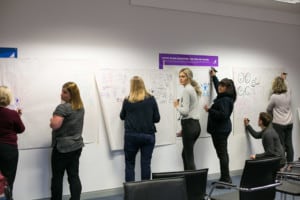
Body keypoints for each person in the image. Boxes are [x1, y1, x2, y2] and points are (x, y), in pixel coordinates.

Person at [120, 76, 160, 182]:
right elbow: (157, 118)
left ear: (131, 86)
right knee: (146, 163)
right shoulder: (151, 99)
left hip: (131, 136)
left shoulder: (127, 100)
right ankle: (145, 193)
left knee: (129, 164)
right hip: (148, 136)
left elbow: (122, 116)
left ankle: (130, 194)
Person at [50, 82, 85, 200]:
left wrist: (51, 120)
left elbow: (55, 125)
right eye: (62, 91)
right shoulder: (80, 107)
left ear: (72, 94)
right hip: (76, 146)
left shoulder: (63, 107)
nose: (61, 94)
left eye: (65, 92)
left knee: (57, 177)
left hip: (62, 148)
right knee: (74, 175)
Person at [204, 69, 236, 184]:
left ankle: (226, 179)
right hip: (222, 129)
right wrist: (214, 77)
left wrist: (210, 110)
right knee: (222, 154)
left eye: (223, 86)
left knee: (222, 154)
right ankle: (224, 177)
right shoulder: (225, 97)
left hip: (220, 131)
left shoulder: (225, 100)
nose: (220, 88)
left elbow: (223, 115)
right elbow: (218, 88)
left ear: (227, 88)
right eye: (220, 85)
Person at [173, 68, 201, 170]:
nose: (180, 79)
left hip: (190, 126)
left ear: (188, 78)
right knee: (185, 155)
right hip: (194, 126)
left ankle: (192, 183)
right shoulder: (191, 89)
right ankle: (189, 180)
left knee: (188, 158)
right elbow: (192, 110)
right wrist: (184, 129)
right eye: (179, 76)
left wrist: (176, 106)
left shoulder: (187, 90)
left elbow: (185, 112)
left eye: (183, 76)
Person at [0, 86, 25, 199]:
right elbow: (21, 129)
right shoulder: (12, 114)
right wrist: (17, 116)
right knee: (8, 180)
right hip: (9, 150)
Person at [267, 73, 294, 171]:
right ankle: (290, 165)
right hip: (289, 122)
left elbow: (268, 109)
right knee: (289, 143)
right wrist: (284, 79)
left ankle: (282, 165)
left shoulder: (274, 97)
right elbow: (288, 87)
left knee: (281, 145)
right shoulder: (288, 93)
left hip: (278, 124)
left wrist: (271, 115)